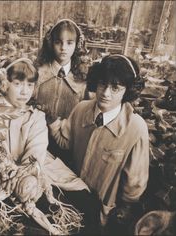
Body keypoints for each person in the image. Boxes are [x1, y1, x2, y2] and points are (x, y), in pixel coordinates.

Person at [48, 54, 150, 229]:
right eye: (103, 84)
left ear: (128, 90)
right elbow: (66, 143)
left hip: (103, 213)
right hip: (71, 199)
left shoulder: (136, 128)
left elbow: (135, 183)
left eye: (116, 88)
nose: (105, 93)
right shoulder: (81, 109)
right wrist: (53, 123)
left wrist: (125, 208)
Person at [34, 18, 90, 120]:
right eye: (58, 42)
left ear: (77, 45)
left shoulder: (82, 79)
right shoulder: (39, 74)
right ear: (51, 43)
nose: (63, 48)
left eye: (69, 43)